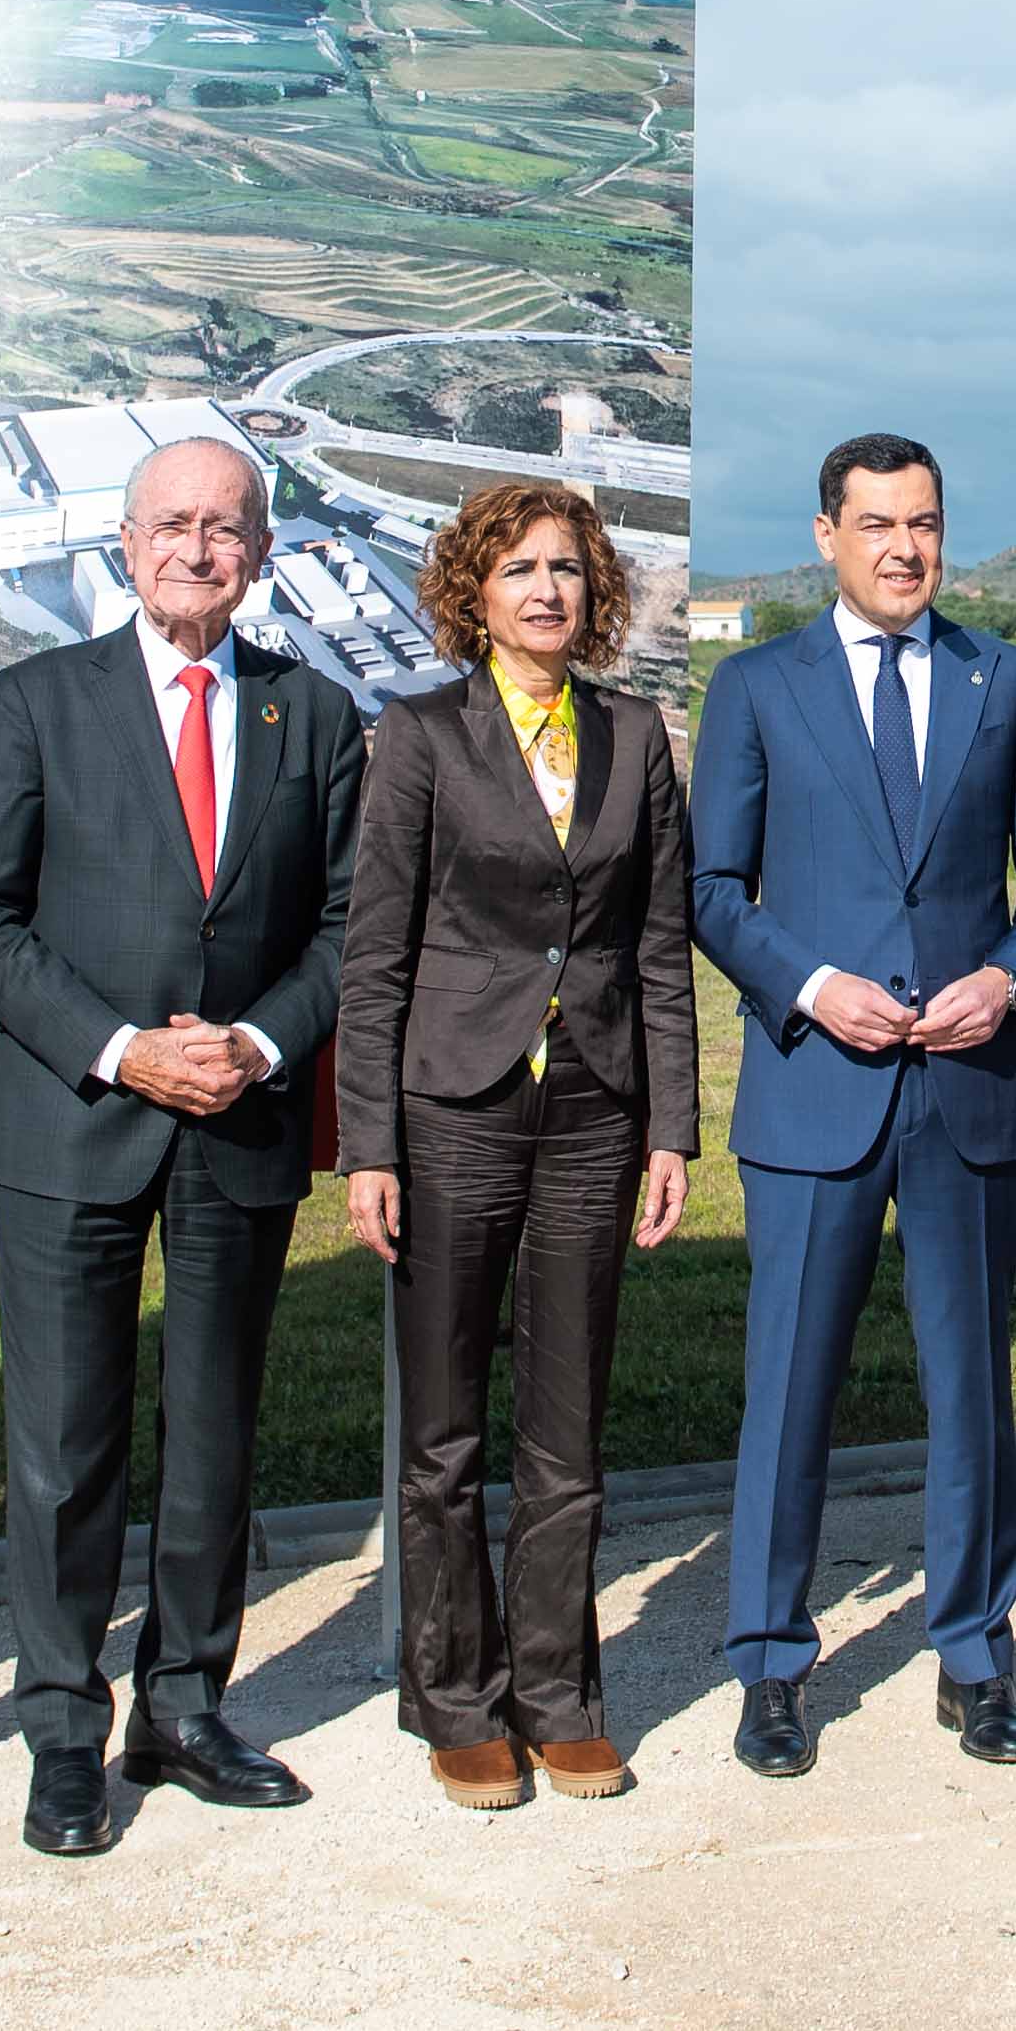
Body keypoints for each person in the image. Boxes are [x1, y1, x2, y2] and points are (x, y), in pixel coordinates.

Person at [0, 437, 369, 1862]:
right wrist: (124, 1048)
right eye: (173, 523)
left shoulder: (315, 713)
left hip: (240, 1119)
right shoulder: (38, 700)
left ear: (262, 551)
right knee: (65, 1447)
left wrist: (259, 1043)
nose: (198, 547)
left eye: (226, 527)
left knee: (213, 1438)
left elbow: (348, 925)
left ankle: (183, 1706)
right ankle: (64, 1728)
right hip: (77, 1121)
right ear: (124, 544)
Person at [691, 434, 1016, 1776]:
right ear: (827, 535)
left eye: (922, 522)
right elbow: (712, 890)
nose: (904, 548)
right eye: (876, 524)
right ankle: (769, 1663)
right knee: (788, 1390)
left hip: (967, 1088)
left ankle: (975, 1655)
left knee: (970, 1388)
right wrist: (811, 987)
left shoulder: (1006, 678)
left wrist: (1009, 980)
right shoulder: (757, 686)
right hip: (817, 1090)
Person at [331, 482, 698, 1811]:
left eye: (567, 568)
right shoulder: (421, 733)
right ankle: (456, 1700)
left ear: (594, 591)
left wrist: (671, 1126)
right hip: (453, 1112)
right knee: (443, 1434)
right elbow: (376, 952)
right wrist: (368, 1140)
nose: (546, 589)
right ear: (473, 591)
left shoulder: (635, 733)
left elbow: (658, 944)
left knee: (567, 1425)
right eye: (519, 567)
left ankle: (558, 1695)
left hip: (594, 1109)